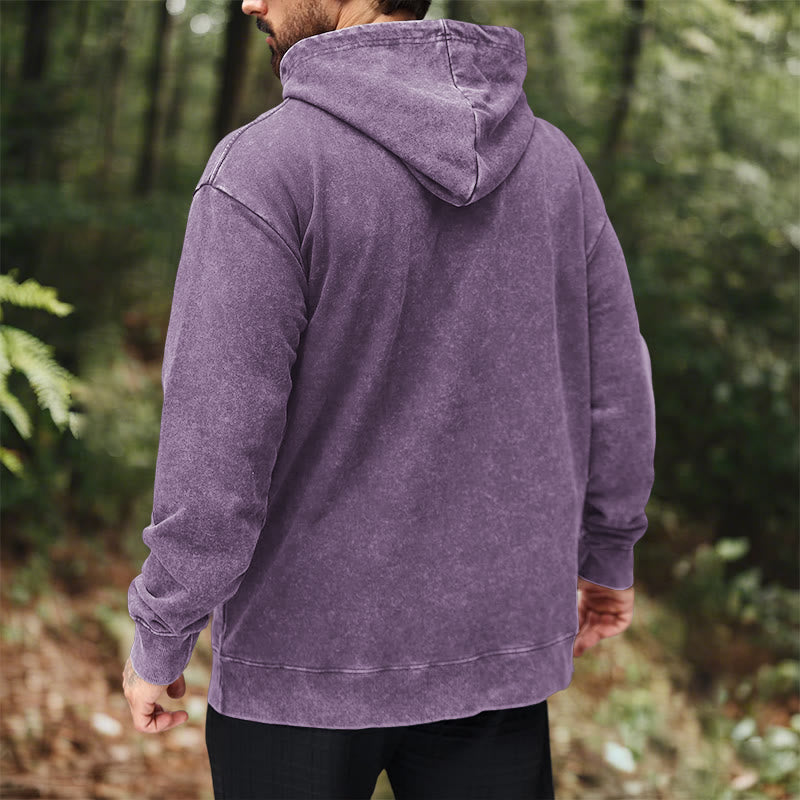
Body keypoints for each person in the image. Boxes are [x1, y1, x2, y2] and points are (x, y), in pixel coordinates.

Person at [121, 0, 656, 797]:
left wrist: (163, 629)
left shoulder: (269, 166)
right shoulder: (554, 167)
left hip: (300, 663)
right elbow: (617, 385)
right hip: (492, 649)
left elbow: (218, 441)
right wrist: (607, 554)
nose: (250, 2)